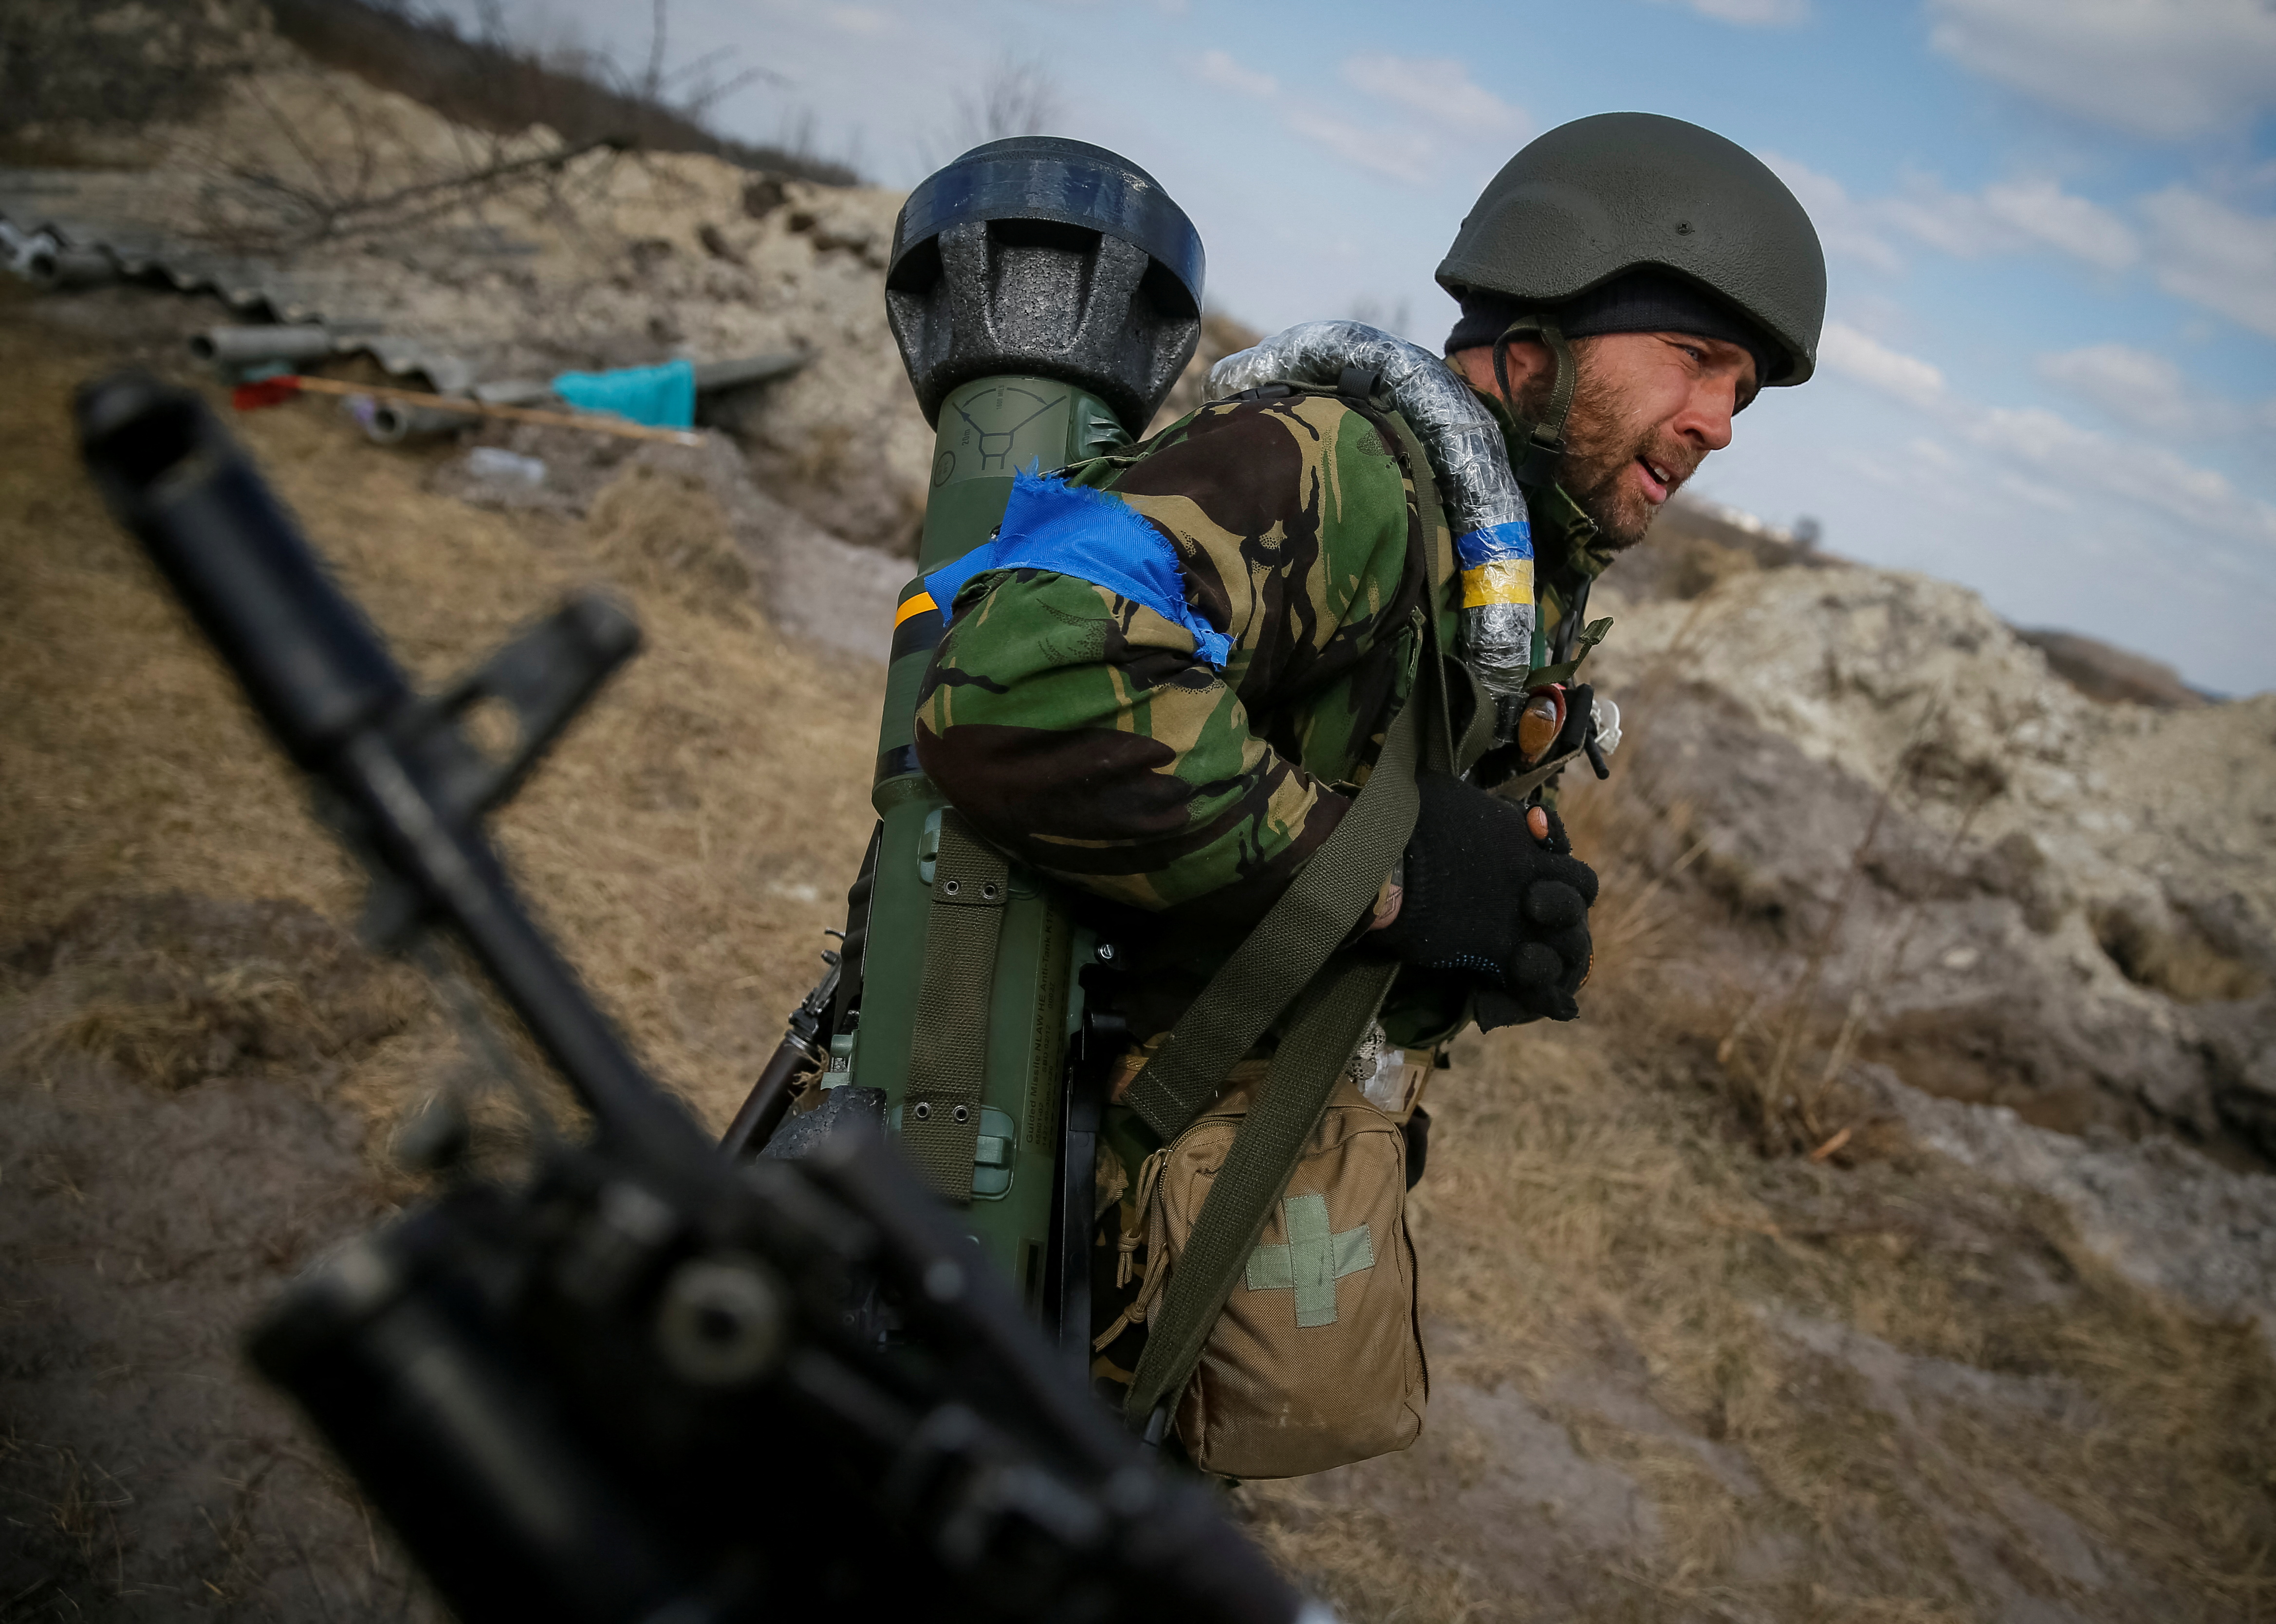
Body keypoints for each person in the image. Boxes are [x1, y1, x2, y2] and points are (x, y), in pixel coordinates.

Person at [910, 111, 1826, 1408]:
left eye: (1739, 392)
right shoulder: (1343, 469)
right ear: (1542, 330)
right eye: (1695, 360)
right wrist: (1390, 879)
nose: (1718, 422)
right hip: (1050, 1213)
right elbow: (1029, 685)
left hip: (1159, 1240)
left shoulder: (1508, 554)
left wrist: (1480, 926)